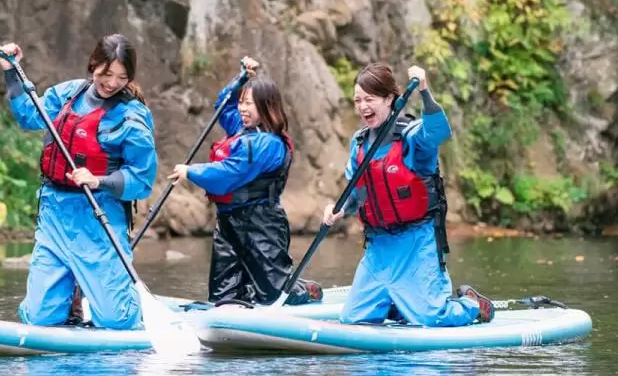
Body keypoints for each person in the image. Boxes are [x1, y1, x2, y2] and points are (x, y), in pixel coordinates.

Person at [0, 34, 158, 329]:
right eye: (106, 73)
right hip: (55, 212)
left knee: (116, 320)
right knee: (39, 318)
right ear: (93, 65)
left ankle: (128, 301)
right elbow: (29, 116)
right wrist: (11, 72)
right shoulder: (68, 94)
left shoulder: (132, 117)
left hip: (100, 218)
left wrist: (99, 181)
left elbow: (142, 179)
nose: (111, 83)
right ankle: (73, 298)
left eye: (122, 77)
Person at [323, 62, 494, 326]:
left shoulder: (412, 136)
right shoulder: (359, 143)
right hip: (378, 249)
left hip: (417, 243)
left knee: (432, 319)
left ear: (390, 99)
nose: (362, 106)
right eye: (357, 100)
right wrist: (338, 209)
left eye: (370, 99)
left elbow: (438, 131)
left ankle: (471, 305)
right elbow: (356, 195)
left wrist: (424, 90)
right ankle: (400, 305)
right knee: (353, 319)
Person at [168, 57, 322, 307]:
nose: (242, 108)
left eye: (249, 103)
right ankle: (239, 300)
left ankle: (305, 290)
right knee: (223, 297)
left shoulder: (267, 144)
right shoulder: (240, 129)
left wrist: (191, 171)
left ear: (266, 106)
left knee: (274, 295)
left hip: (260, 224)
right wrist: (241, 79)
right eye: (242, 101)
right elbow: (223, 106)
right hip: (228, 223)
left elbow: (229, 175)